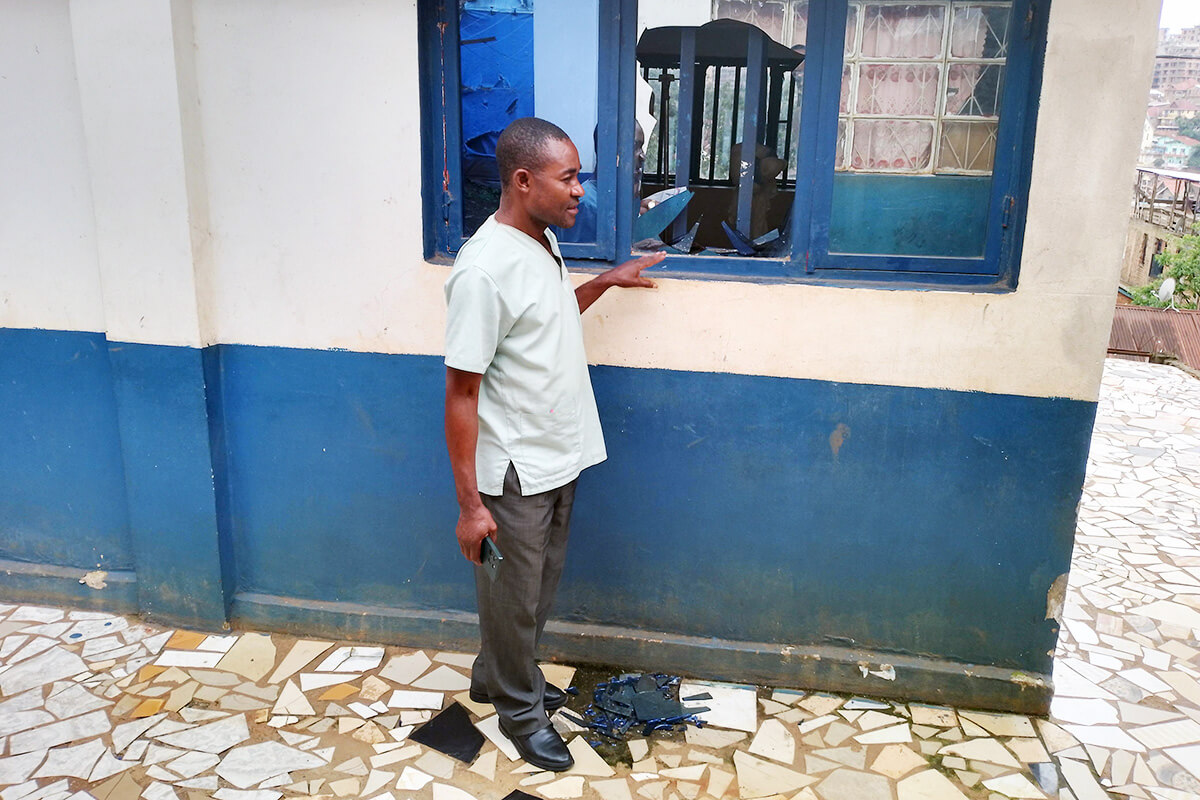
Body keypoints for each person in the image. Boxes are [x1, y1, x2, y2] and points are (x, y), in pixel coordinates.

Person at [443, 117, 665, 771]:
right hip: (513, 466)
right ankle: (519, 713)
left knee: (534, 591)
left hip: (556, 452)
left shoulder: (539, 241)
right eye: (568, 178)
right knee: (516, 599)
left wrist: (604, 282)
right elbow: (460, 393)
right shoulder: (483, 270)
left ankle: (495, 676)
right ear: (523, 180)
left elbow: (545, 320)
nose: (578, 191)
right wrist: (469, 507)